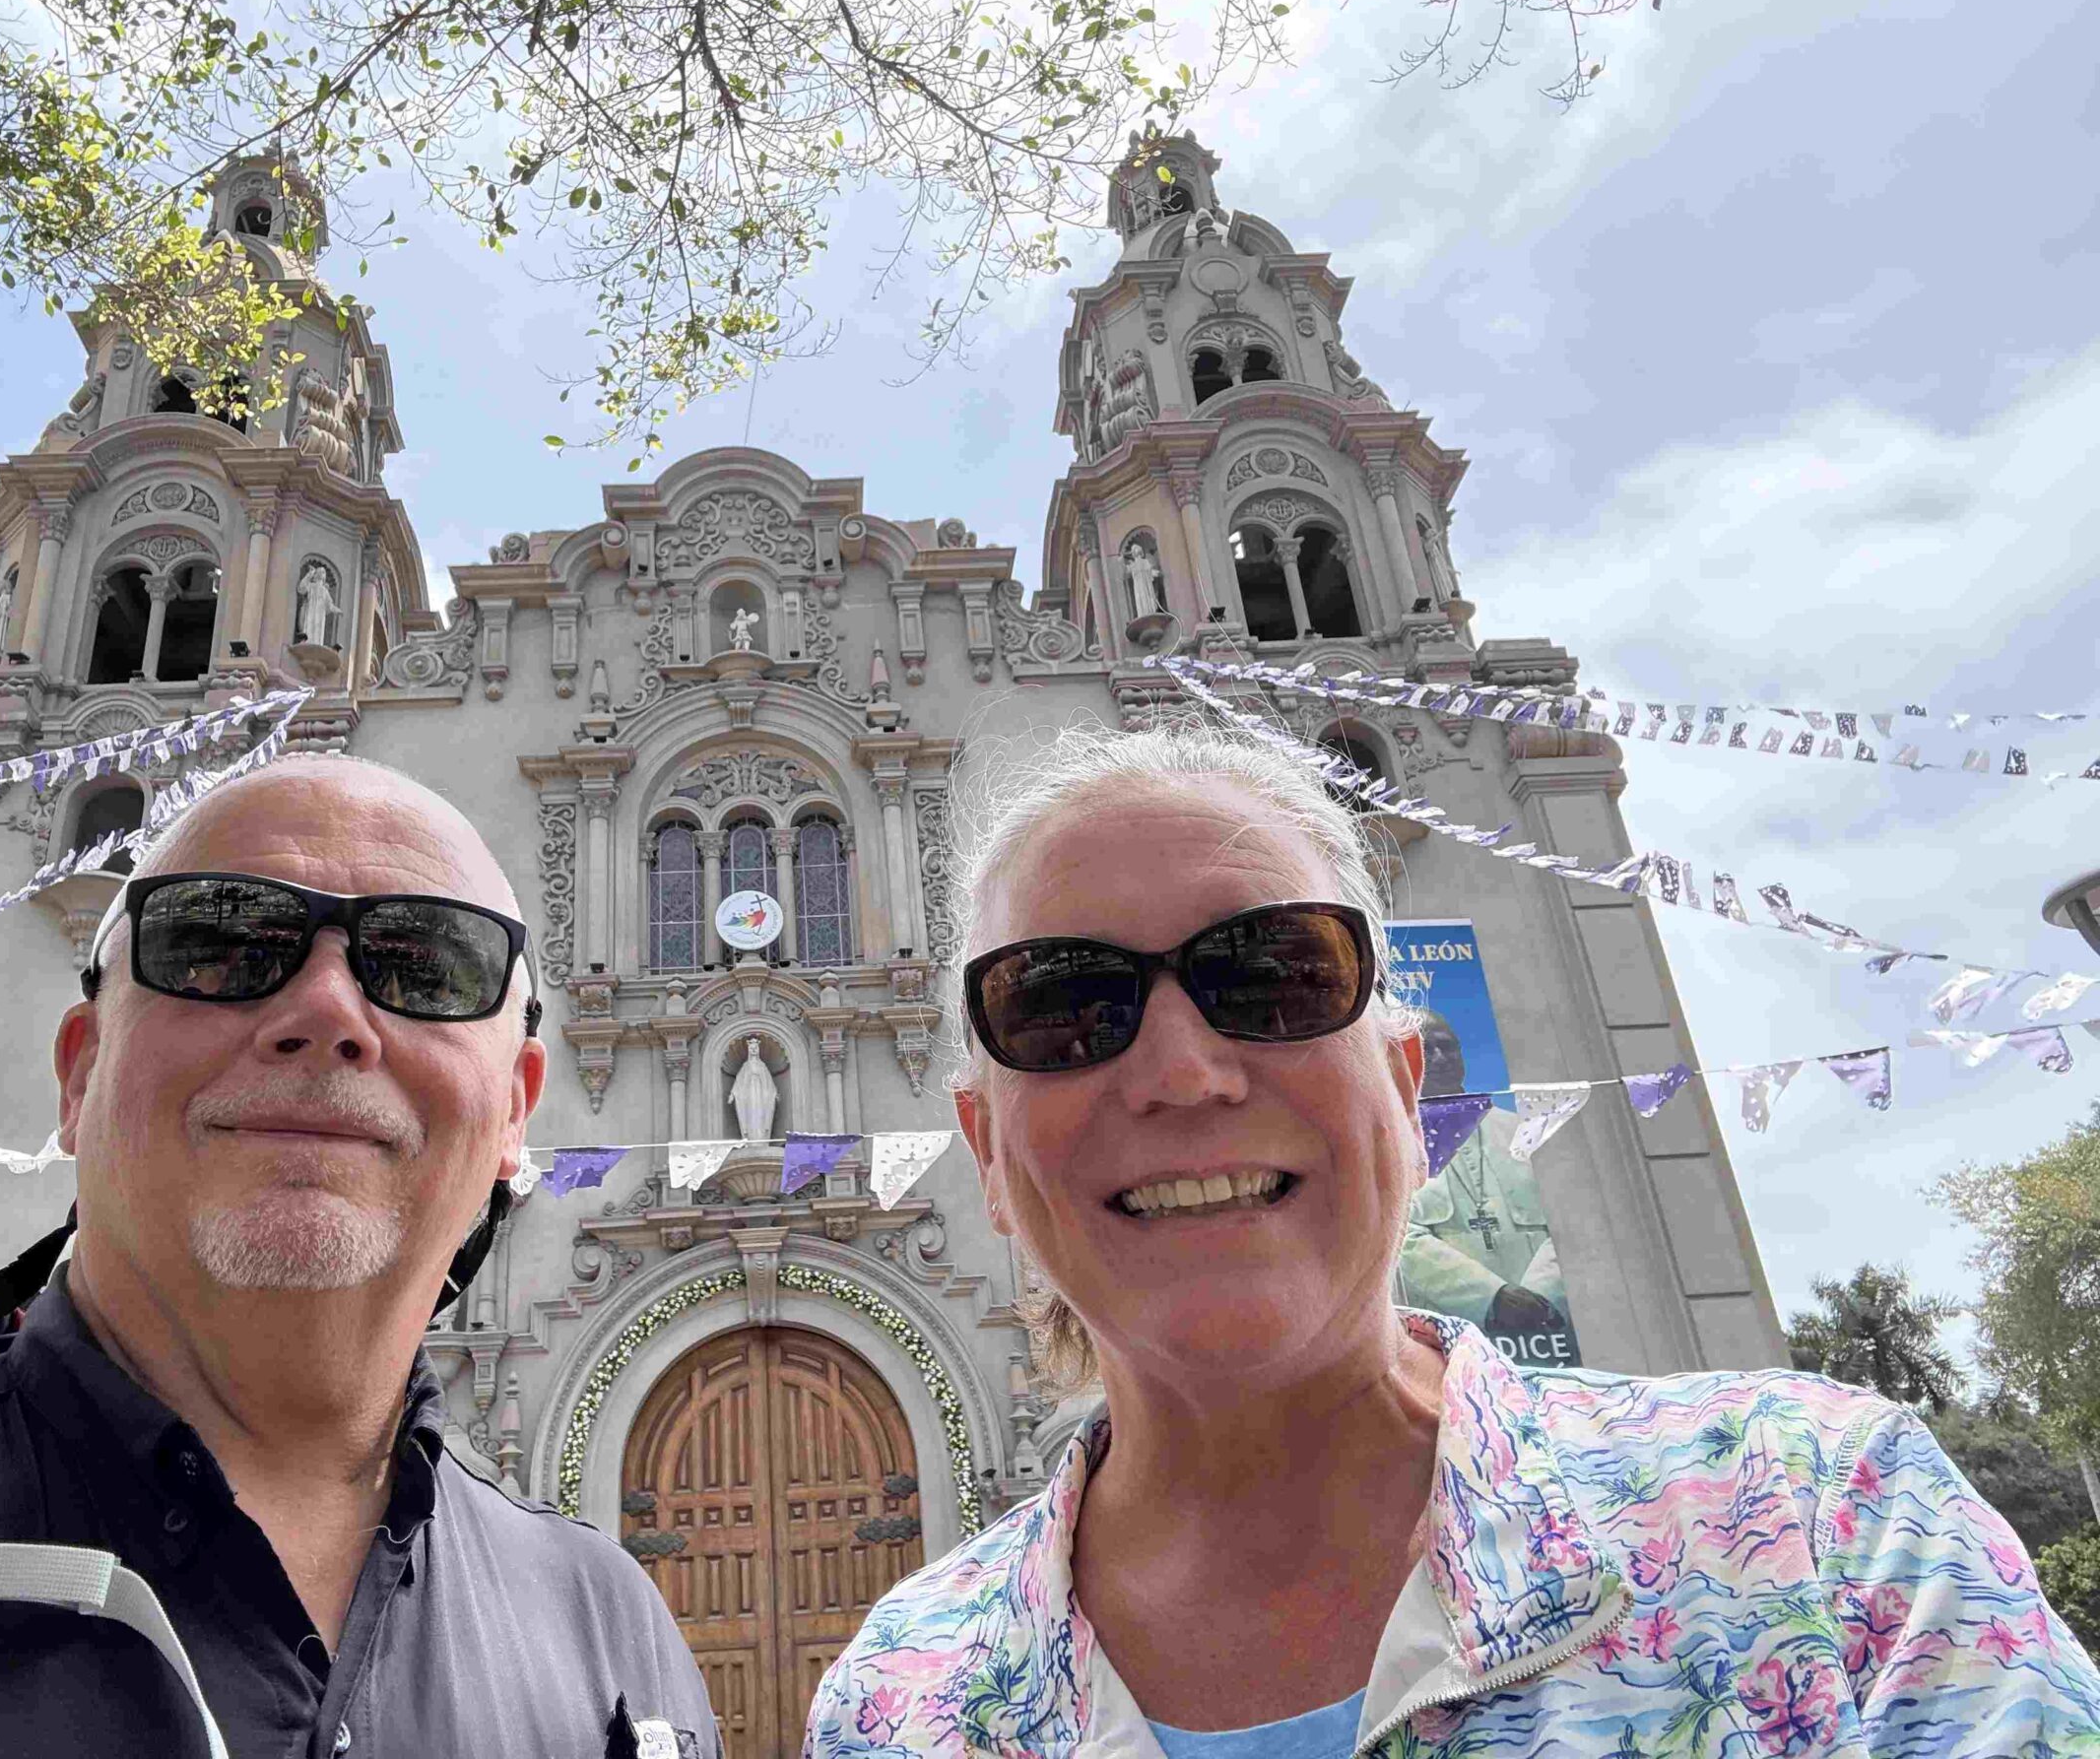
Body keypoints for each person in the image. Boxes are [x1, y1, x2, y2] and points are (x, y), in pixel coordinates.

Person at [807, 717, 2098, 1757]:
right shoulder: (901, 1705)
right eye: (1065, 1005)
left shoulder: (1821, 1524)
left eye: (1273, 975)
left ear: (1412, 1091)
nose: (1183, 1071)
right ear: (986, 1150)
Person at [0, 755, 719, 1758]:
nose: (326, 1012)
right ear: (78, 1074)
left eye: (426, 966)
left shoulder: (615, 1636)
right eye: (221, 944)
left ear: (517, 1113)